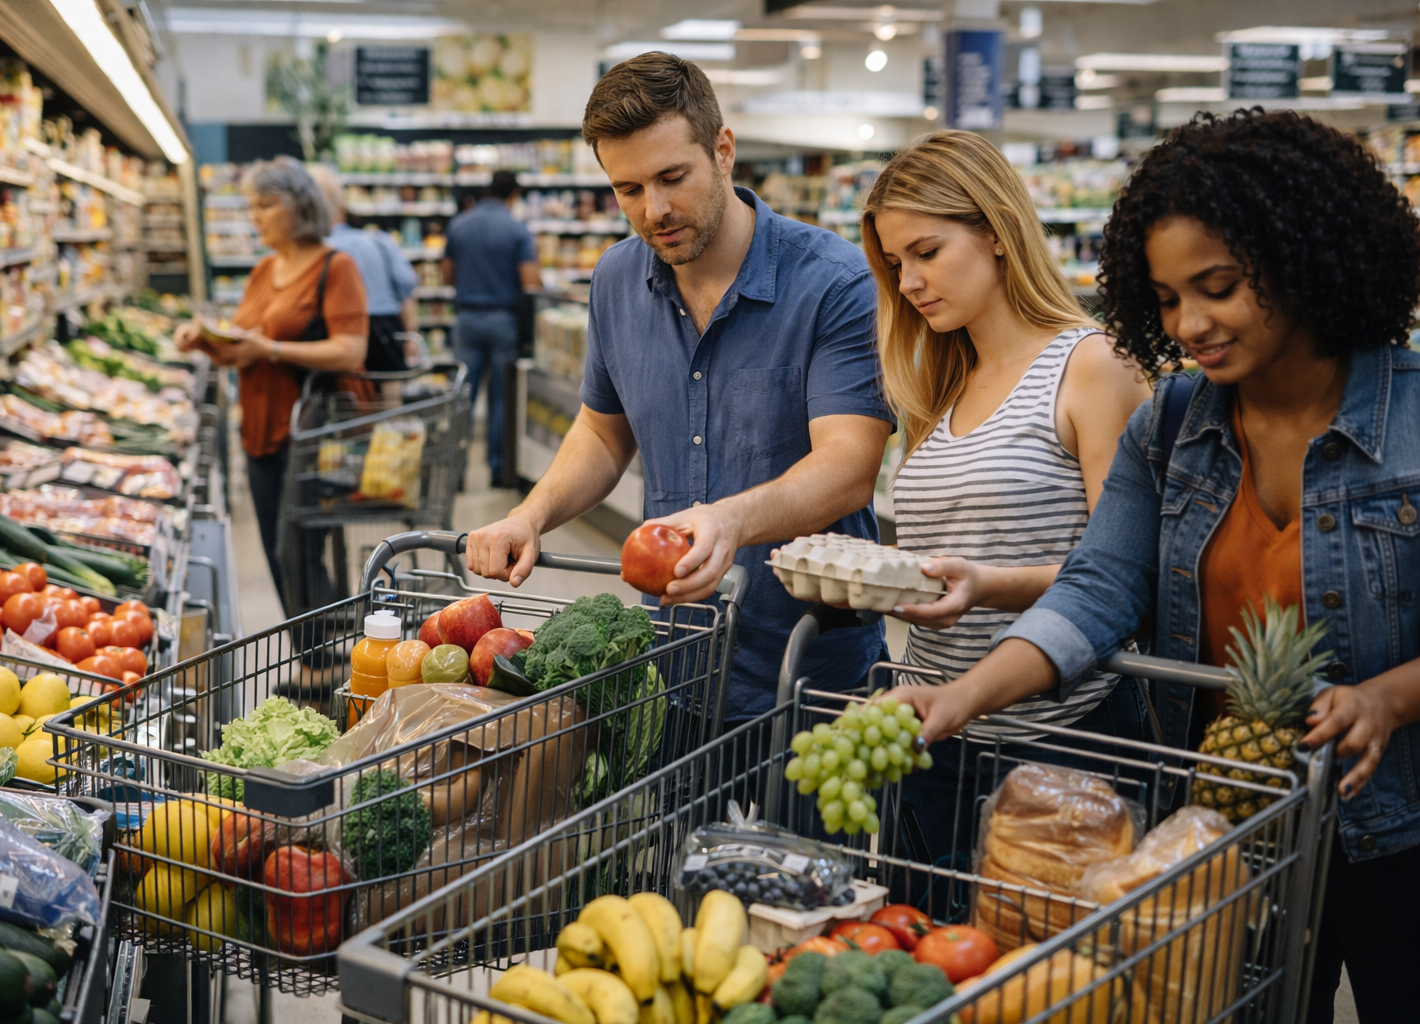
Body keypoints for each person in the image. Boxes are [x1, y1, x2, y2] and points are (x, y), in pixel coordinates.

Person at [885, 110, 1420, 1023]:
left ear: (1307, 260)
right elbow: (1098, 590)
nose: (1192, 325)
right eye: (1169, 299)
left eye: (1218, 287)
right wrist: (961, 696)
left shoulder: (1410, 421)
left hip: (1399, 831)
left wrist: (1390, 695)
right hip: (1220, 827)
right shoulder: (1175, 428)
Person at [464, 53, 895, 728]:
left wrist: (729, 521)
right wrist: (531, 514)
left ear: (723, 151)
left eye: (672, 177)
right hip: (668, 658)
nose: (653, 210)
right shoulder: (614, 280)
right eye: (627, 189)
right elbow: (603, 432)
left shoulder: (833, 284)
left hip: (805, 669)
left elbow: (848, 470)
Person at [861, 130, 1152, 858]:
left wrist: (986, 586)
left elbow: (1125, 575)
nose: (910, 283)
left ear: (994, 232)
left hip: (1061, 742)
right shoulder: (939, 385)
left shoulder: (1091, 366)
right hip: (935, 735)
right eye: (896, 264)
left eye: (927, 253)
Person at [175, 156, 369, 630]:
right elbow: (245, 349)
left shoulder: (335, 267)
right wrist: (206, 341)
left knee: (296, 548)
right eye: (251, 206)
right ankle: (322, 645)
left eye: (266, 204)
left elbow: (350, 350)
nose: (255, 216)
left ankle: (317, 657)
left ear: (300, 205)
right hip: (260, 428)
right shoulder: (263, 271)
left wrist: (275, 348)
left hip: (315, 433)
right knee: (275, 547)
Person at [442, 169, 541, 486]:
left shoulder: (459, 224)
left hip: (467, 319)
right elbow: (529, 281)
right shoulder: (517, 229)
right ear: (513, 195)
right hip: (503, 320)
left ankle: (456, 473)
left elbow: (447, 276)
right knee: (501, 398)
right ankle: (499, 469)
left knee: (462, 397)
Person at [309, 164, 421, 373]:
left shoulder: (313, 251)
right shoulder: (380, 242)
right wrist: (411, 337)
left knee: (344, 401)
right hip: (385, 333)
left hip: (333, 338)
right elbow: (407, 291)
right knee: (389, 401)